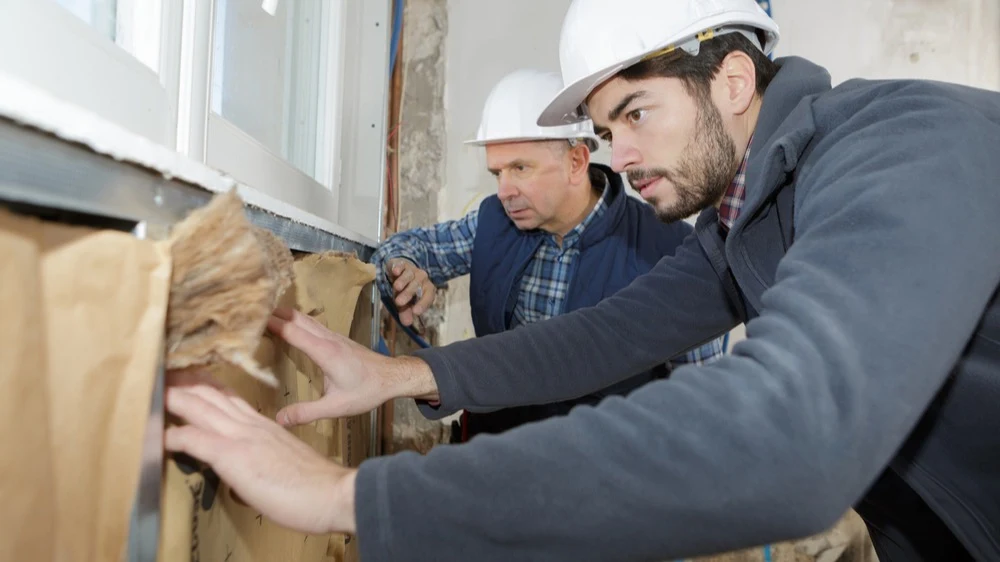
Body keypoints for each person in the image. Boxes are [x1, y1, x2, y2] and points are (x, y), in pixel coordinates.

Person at [163, 0, 1000, 560]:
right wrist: (411, 372)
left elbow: (791, 434)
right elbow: (609, 334)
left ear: (734, 81)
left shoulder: (904, 145)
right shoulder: (743, 221)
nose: (621, 155)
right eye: (607, 129)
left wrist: (353, 495)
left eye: (636, 113)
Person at [351, 68, 723, 442]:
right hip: (497, 455)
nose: (504, 190)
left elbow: (699, 399)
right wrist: (404, 270)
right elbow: (404, 249)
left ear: (576, 162)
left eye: (520, 168)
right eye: (497, 173)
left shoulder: (672, 251)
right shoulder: (493, 223)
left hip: (603, 472)